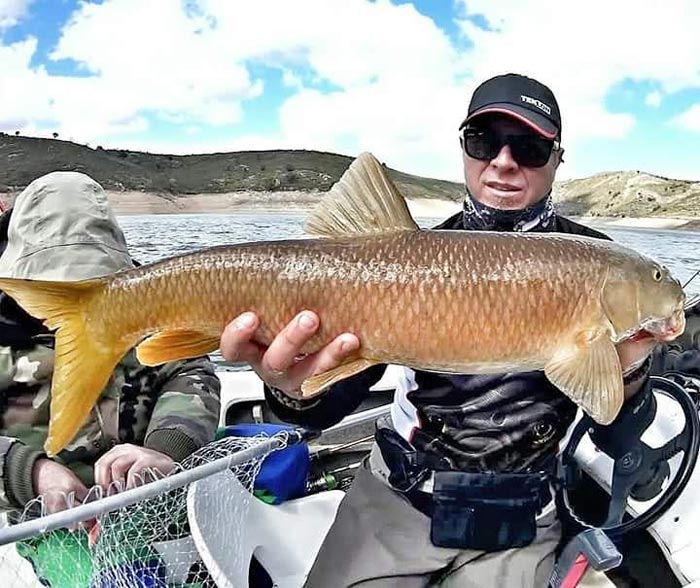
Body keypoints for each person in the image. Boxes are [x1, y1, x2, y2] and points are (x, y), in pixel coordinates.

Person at [219, 73, 700, 587]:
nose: (504, 161)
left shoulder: (602, 260)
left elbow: (617, 428)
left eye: (531, 148)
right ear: (464, 149)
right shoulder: (405, 254)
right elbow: (326, 406)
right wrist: (290, 389)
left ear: (558, 159)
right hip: (398, 501)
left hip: (524, 519)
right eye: (484, 141)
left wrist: (629, 371)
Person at [0, 171, 221, 519]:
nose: (78, 295)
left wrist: (166, 449)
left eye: (93, 284)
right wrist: (30, 474)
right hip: (50, 522)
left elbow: (190, 370)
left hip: (157, 498)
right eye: (56, 286)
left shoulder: (146, 306)